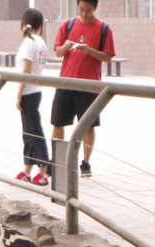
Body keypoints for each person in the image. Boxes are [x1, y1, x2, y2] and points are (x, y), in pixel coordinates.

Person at [50, 0, 115, 178]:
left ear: (95, 8)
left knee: (88, 125)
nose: (84, 13)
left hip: (89, 86)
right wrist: (66, 46)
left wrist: (89, 51)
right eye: (81, 9)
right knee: (58, 122)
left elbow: (108, 57)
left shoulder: (104, 29)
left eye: (88, 10)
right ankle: (57, 161)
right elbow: (57, 52)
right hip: (66, 83)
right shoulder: (68, 24)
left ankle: (85, 162)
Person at [14, 9, 50, 186]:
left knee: (34, 132)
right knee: (28, 132)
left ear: (24, 23)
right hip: (35, 91)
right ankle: (27, 170)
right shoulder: (40, 41)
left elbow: (26, 71)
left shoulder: (29, 42)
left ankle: (43, 171)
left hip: (29, 91)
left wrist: (19, 94)